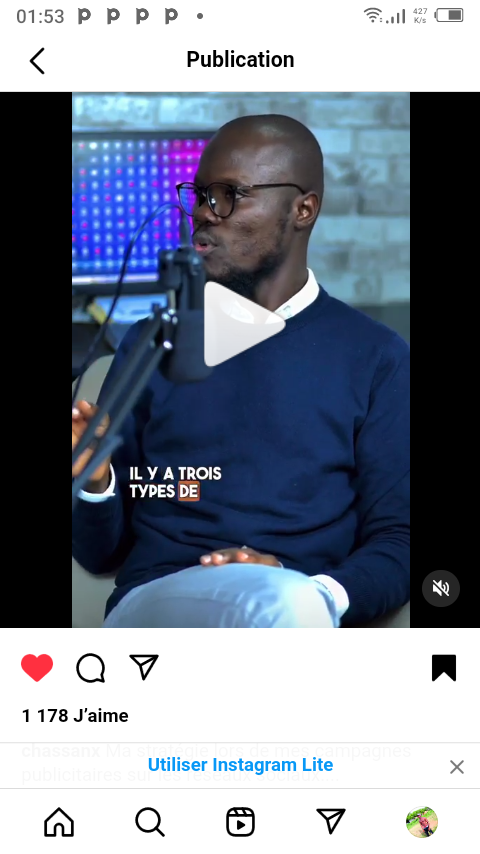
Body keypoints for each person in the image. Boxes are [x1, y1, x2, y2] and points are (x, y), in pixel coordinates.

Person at [72, 113, 410, 628]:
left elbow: (400, 539)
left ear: (302, 209)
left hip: (298, 610)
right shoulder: (152, 343)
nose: (204, 213)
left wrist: (314, 590)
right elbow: (101, 555)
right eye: (200, 194)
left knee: (284, 604)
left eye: (229, 194)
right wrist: (95, 482)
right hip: (159, 600)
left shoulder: (376, 357)